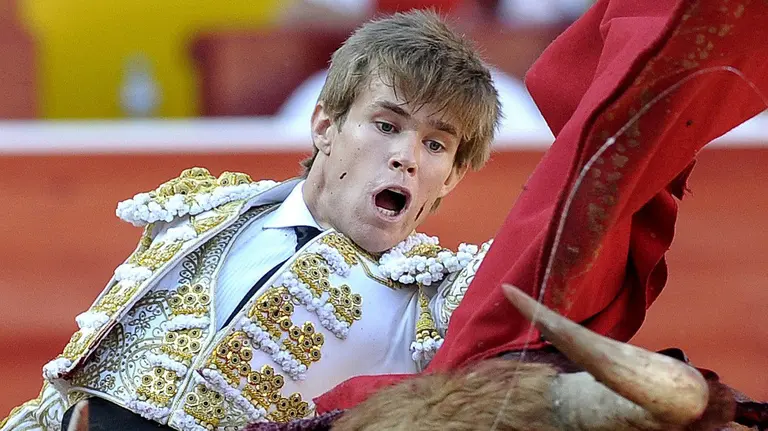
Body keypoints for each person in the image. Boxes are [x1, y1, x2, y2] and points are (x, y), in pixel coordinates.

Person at [0, 11, 500, 431]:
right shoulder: (200, 215)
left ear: (453, 175)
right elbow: (68, 389)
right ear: (325, 126)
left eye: (435, 144)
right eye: (386, 126)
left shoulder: (432, 310)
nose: (406, 157)